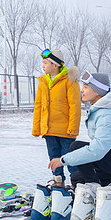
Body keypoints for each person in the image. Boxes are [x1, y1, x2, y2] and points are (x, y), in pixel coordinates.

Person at [48, 72, 111, 203]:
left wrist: (63, 160)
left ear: (98, 91)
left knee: (76, 147)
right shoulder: (102, 108)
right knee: (78, 179)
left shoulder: (110, 115)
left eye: (86, 87)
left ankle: (95, 188)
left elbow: (96, 151)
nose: (82, 90)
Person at [32, 48, 81, 187]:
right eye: (43, 63)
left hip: (66, 130)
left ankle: (77, 183)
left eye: (46, 63)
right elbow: (38, 106)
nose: (43, 66)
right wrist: (37, 128)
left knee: (69, 158)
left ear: (56, 65)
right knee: (53, 158)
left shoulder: (69, 81)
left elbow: (75, 106)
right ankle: (58, 181)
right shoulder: (43, 82)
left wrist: (73, 128)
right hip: (48, 130)